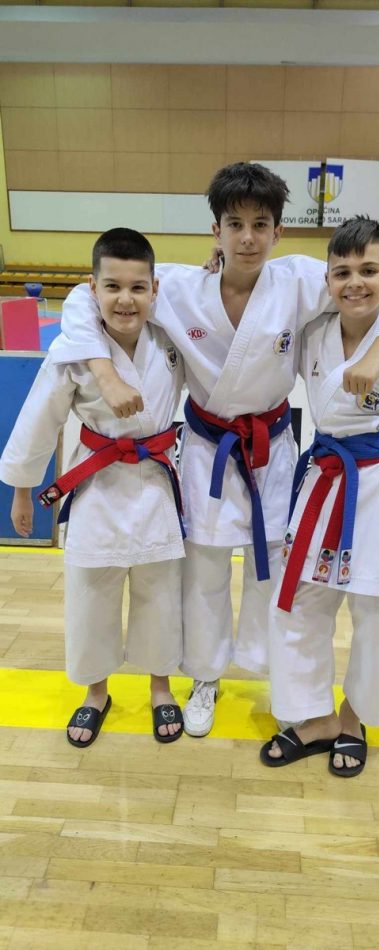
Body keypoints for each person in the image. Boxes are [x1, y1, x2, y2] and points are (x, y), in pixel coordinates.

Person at [49, 163, 379, 738]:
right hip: (207, 448)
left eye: (260, 225)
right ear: (216, 230)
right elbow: (84, 300)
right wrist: (104, 374)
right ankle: (205, 676)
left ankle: (272, 673)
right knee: (203, 570)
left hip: (271, 449)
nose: (248, 238)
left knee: (271, 569)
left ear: (279, 231)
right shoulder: (177, 287)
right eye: (235, 224)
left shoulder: (302, 281)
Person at [261, 216, 379, 777]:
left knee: (378, 615)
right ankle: (314, 716)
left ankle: (353, 717)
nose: (355, 283)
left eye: (369, 271)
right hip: (324, 483)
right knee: (299, 604)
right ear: (328, 279)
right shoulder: (316, 332)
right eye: (342, 272)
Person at [0, 228, 186, 747]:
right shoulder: (74, 349)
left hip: (156, 480)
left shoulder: (169, 338)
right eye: (113, 287)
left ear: (154, 289)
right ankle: (95, 691)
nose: (126, 299)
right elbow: (40, 418)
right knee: (90, 592)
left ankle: (160, 686)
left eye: (138, 287)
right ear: (92, 288)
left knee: (160, 591)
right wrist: (23, 489)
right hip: (97, 483)